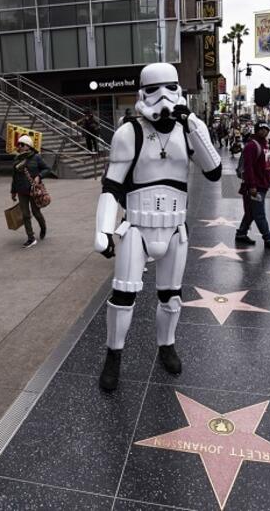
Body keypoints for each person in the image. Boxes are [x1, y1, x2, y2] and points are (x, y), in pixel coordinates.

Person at [94, 62, 222, 392]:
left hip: (175, 228)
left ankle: (167, 345)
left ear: (179, 89)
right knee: (123, 296)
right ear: (141, 93)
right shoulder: (128, 133)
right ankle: (114, 355)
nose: (162, 97)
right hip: (137, 227)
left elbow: (214, 170)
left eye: (169, 88)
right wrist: (103, 229)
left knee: (171, 297)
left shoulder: (189, 130)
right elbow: (112, 186)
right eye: (154, 89)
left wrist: (192, 123)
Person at [235, 122, 270, 252]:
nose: (264, 131)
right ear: (256, 130)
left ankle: (241, 233)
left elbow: (267, 167)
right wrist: (252, 186)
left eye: (266, 129)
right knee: (259, 214)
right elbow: (248, 168)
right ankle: (268, 239)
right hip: (255, 186)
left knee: (251, 212)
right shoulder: (251, 146)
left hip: (263, 184)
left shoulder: (265, 145)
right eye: (261, 129)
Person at [11, 135, 50, 248]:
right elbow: (14, 177)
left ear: (28, 146)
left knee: (36, 212)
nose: (20, 146)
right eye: (19, 144)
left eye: (22, 144)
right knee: (25, 215)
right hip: (21, 190)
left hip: (33, 191)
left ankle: (43, 227)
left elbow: (47, 169)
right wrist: (13, 192)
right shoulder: (17, 158)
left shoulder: (36, 157)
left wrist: (39, 176)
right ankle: (31, 238)